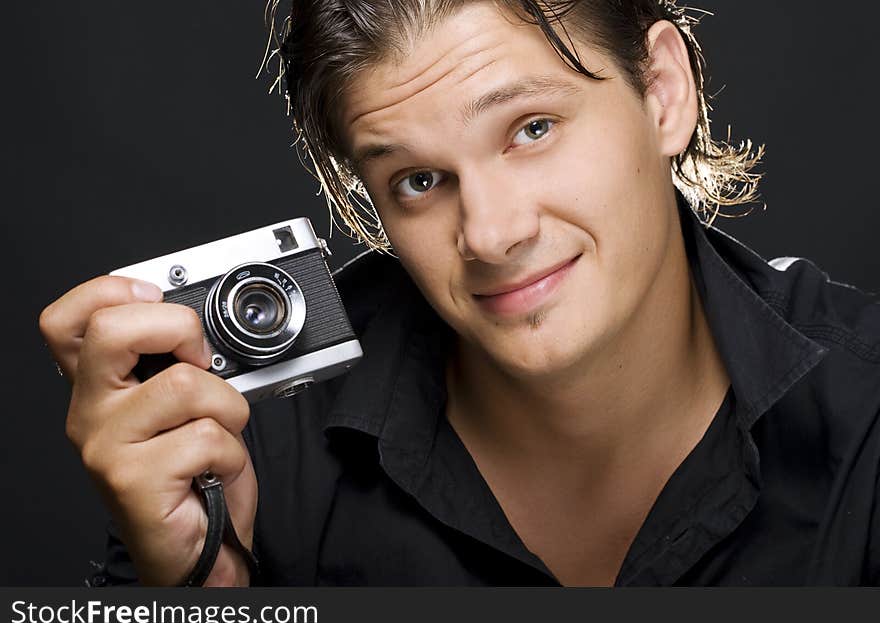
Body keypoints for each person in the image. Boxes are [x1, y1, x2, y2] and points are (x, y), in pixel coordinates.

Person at [39, 0, 880, 586]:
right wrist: (200, 595)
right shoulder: (238, 459)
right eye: (418, 180)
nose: (488, 232)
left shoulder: (865, 414)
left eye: (532, 129)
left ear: (662, 91)